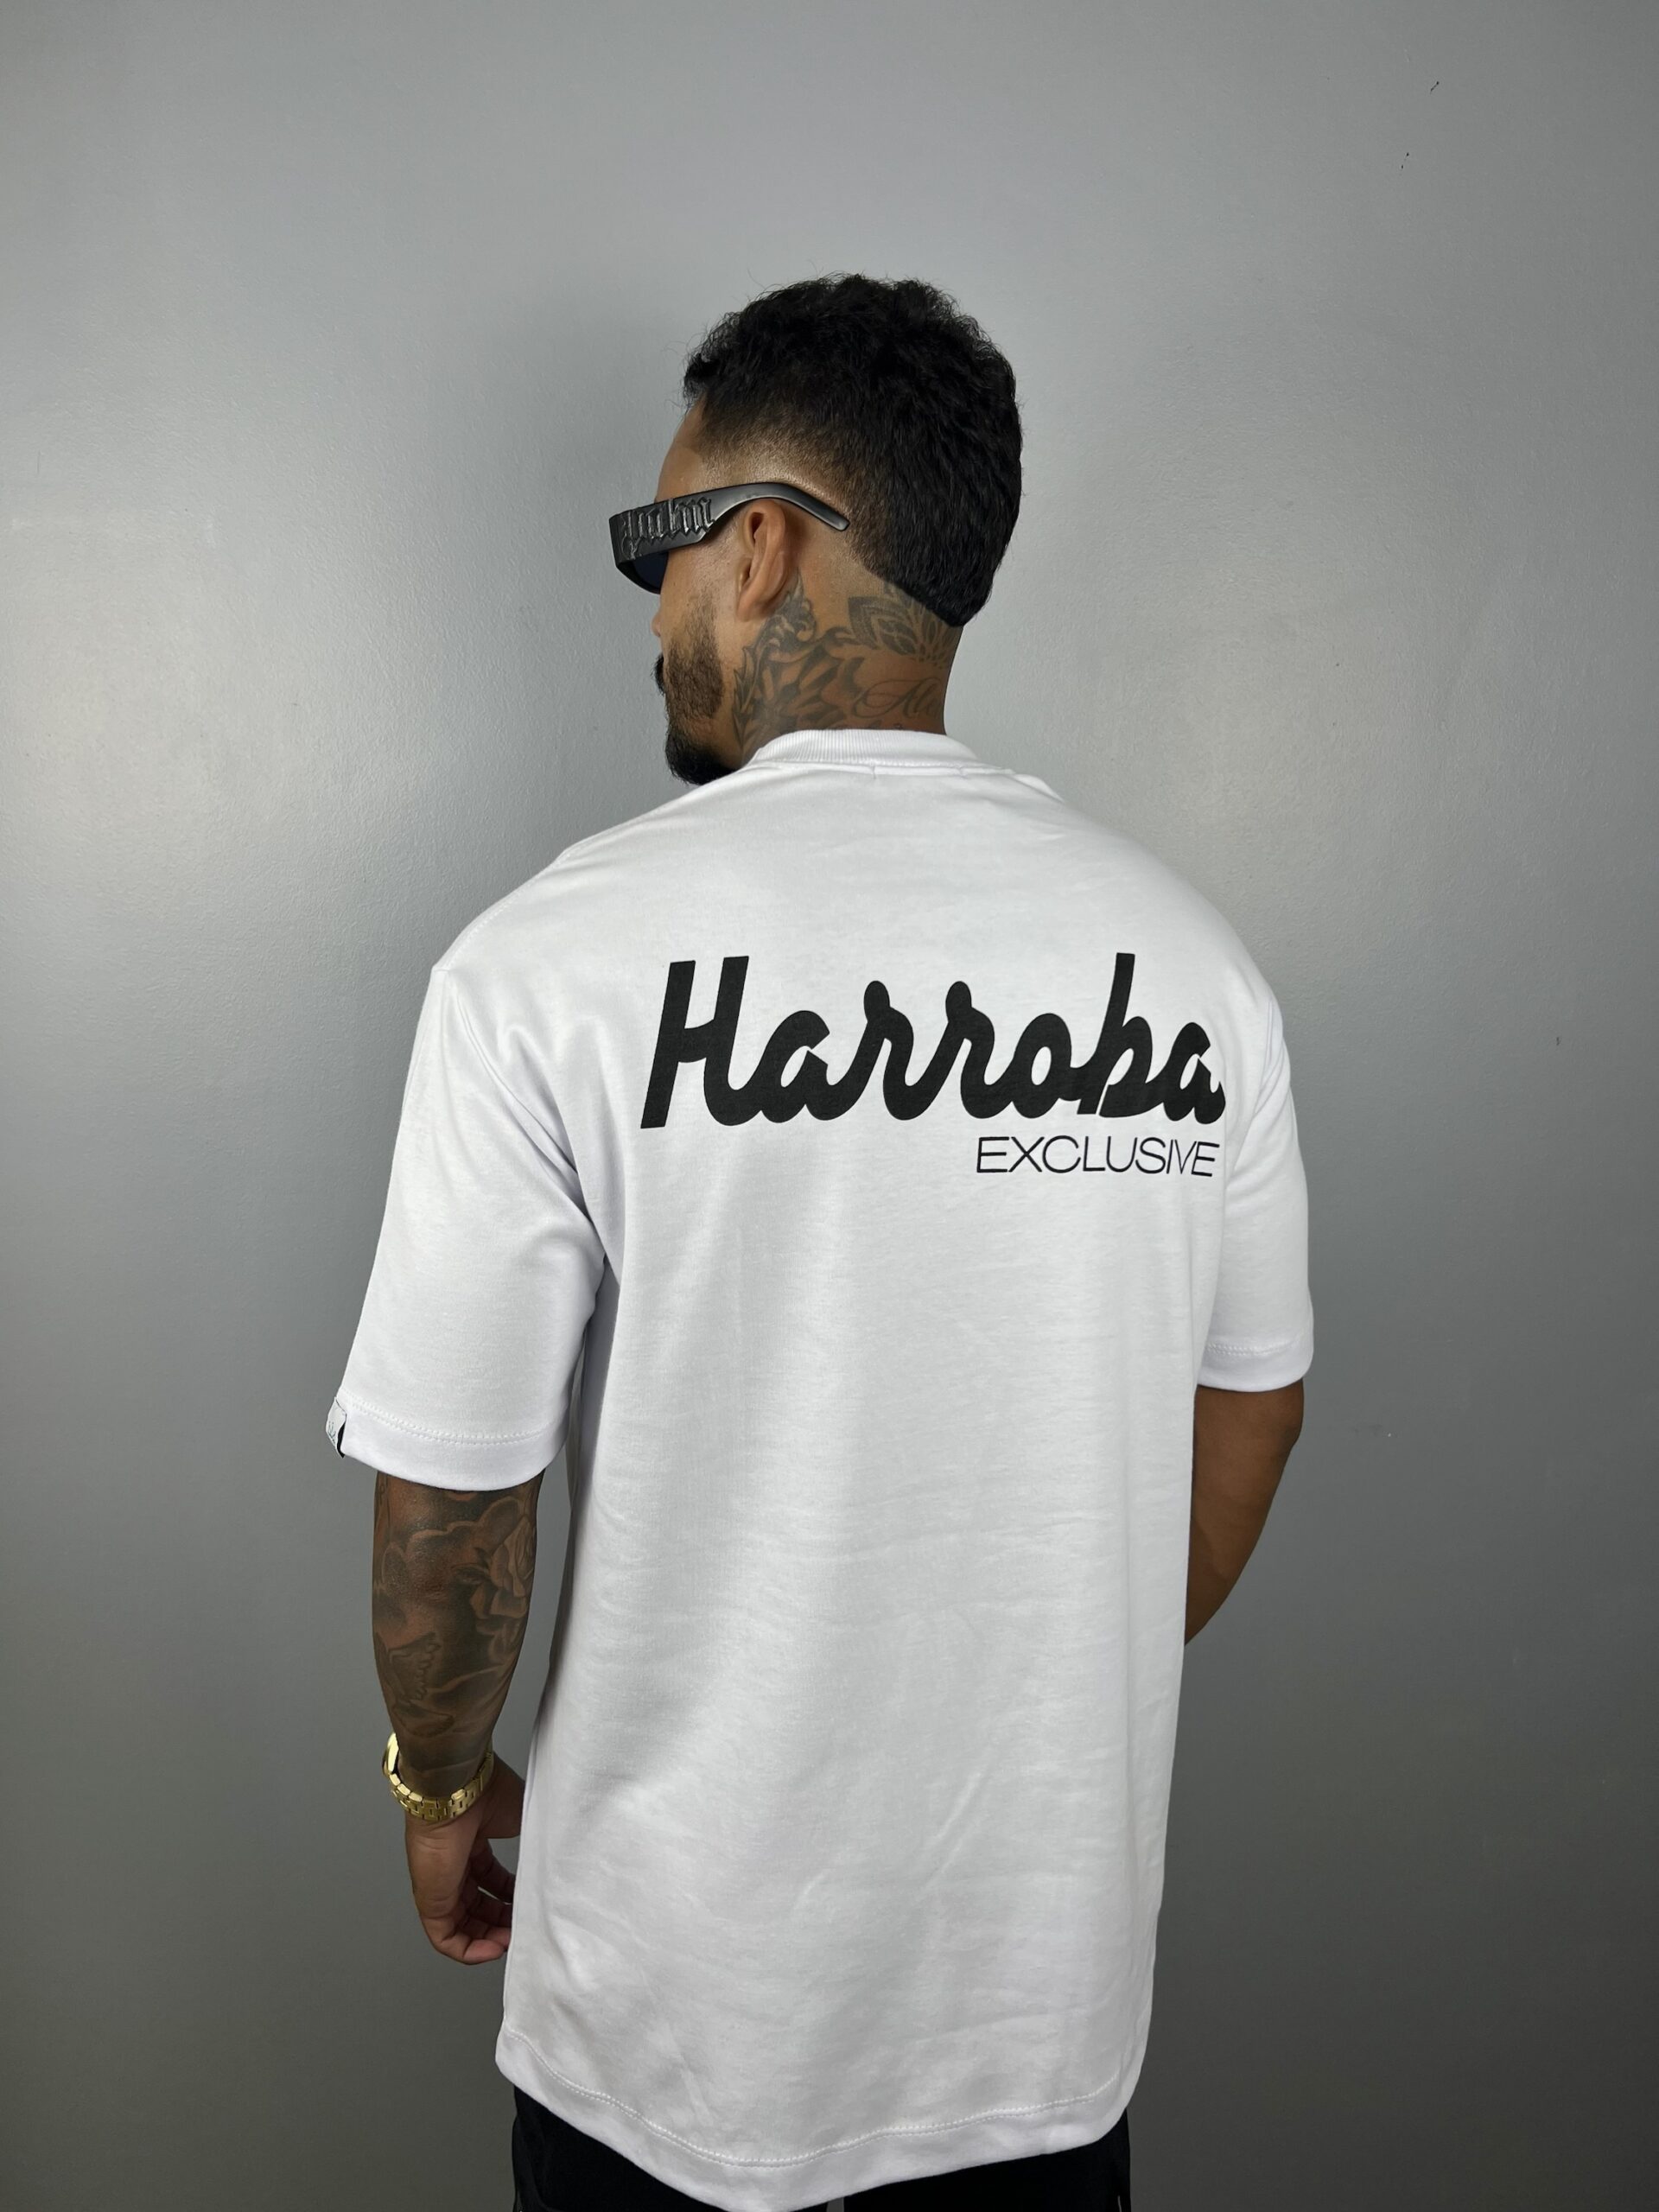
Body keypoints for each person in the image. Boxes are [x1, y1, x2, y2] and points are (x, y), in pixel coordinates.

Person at [326, 271, 1312, 2212]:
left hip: (667, 2038)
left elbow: (452, 1490)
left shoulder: (549, 965)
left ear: (760, 546)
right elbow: (1253, 1410)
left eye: (663, 549)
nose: (658, 614)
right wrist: (1032, 1657)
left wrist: (439, 1782)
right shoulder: (1197, 974)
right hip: (1030, 2037)